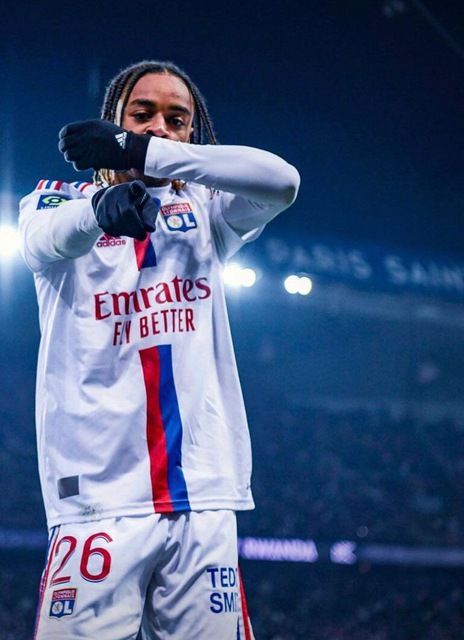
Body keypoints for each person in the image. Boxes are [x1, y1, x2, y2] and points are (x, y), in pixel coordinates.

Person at [18, 60, 300, 640]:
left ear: (192, 136)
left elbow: (284, 181)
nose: (160, 128)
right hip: (99, 501)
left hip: (202, 496)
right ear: (111, 122)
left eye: (178, 120)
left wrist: (144, 154)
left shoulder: (208, 210)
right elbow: (43, 238)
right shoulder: (53, 200)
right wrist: (102, 211)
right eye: (142, 115)